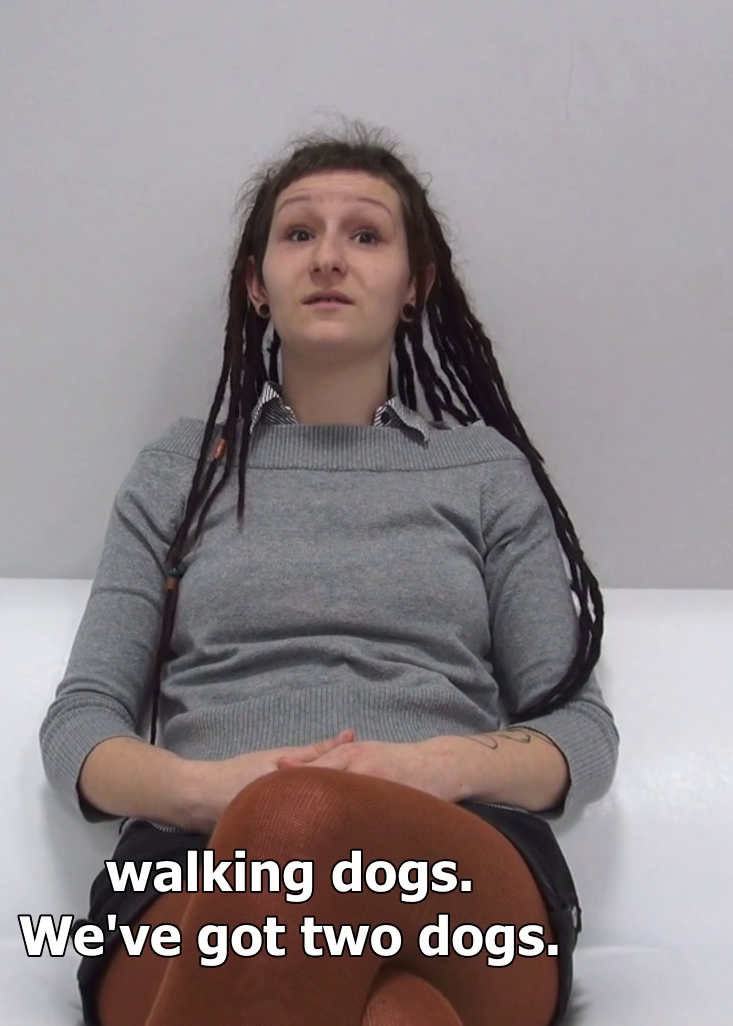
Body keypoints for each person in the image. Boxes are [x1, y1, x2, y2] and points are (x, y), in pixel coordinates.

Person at [38, 121, 618, 1026]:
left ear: (416, 285)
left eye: (367, 235)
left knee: (301, 817)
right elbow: (79, 729)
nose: (329, 258)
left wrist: (425, 770)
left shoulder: (483, 472)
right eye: (300, 232)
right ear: (256, 283)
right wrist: (216, 792)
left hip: (453, 865)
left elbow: (581, 734)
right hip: (196, 870)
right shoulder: (178, 473)